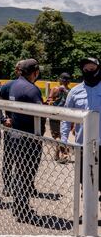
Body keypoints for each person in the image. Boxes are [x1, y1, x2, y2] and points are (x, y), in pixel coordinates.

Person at [8, 58, 45, 223]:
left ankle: (18, 206)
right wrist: (40, 135)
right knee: (27, 175)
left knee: (19, 173)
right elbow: (41, 114)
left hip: (15, 137)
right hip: (30, 138)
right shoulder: (32, 89)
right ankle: (22, 210)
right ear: (35, 72)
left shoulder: (12, 85)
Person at [61, 57, 101, 192]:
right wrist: (64, 139)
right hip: (82, 146)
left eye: (92, 69)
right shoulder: (74, 92)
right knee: (86, 184)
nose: (89, 72)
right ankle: (87, 212)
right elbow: (66, 117)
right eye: (86, 69)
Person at [0, 60, 23, 197]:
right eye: (20, 69)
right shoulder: (8, 86)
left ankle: (25, 185)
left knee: (24, 159)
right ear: (16, 71)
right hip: (12, 126)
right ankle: (8, 185)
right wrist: (4, 119)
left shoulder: (31, 86)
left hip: (27, 129)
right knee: (9, 158)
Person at [47, 72, 71, 162]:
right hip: (66, 115)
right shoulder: (70, 91)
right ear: (69, 81)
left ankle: (64, 153)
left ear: (60, 79)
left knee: (56, 135)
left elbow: (49, 100)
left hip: (55, 114)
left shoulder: (55, 89)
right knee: (61, 135)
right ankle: (57, 154)